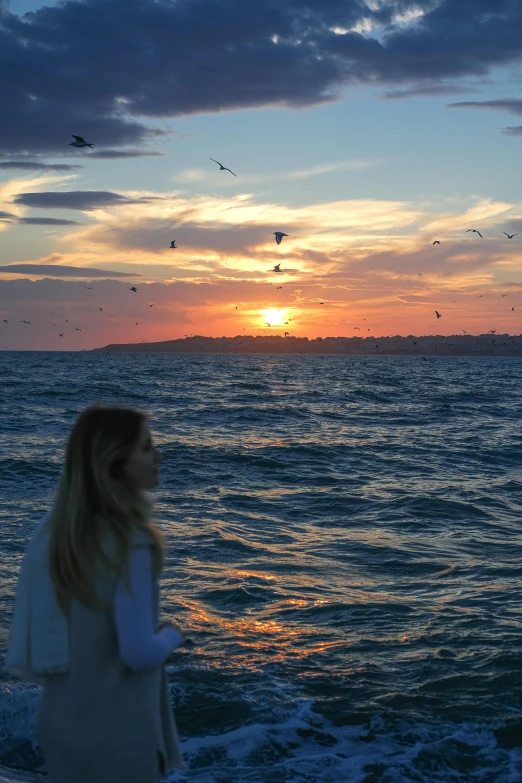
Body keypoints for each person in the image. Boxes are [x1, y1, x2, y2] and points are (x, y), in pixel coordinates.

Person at [7, 404, 185, 783]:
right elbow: (137, 653)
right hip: (115, 729)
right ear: (115, 461)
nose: (159, 455)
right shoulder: (129, 540)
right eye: (146, 447)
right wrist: (173, 634)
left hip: (60, 724)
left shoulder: (58, 534)